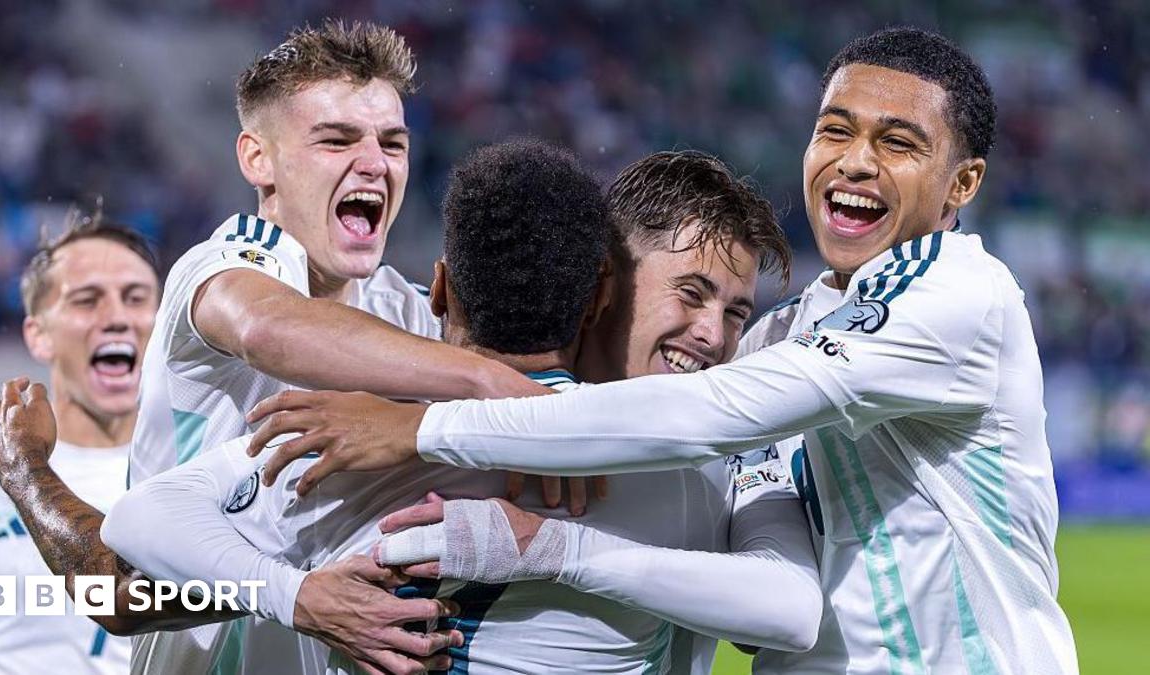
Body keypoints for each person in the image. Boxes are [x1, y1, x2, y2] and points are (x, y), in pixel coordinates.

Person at [254, 28, 1079, 674]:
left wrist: (441, 437)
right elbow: (151, 557)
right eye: (836, 129)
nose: (855, 160)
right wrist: (292, 595)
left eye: (899, 142)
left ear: (963, 184)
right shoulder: (793, 333)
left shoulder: (953, 297)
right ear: (603, 284)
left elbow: (777, 581)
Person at [100, 142, 816, 674]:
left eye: (736, 312)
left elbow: (784, 615)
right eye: (691, 294)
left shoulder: (377, 424)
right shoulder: (373, 414)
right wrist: (302, 596)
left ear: (440, 290)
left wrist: (551, 545)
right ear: (606, 287)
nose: (713, 334)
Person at [0, 19, 542, 675]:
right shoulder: (223, 266)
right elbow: (266, 328)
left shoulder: (408, 313)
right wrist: (491, 384)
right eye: (336, 140)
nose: (374, 163)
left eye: (393, 142)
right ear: (258, 159)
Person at [0, 208, 156, 675]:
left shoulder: (203, 476)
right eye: (87, 300)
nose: (118, 317)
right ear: (38, 336)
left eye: (135, 297)